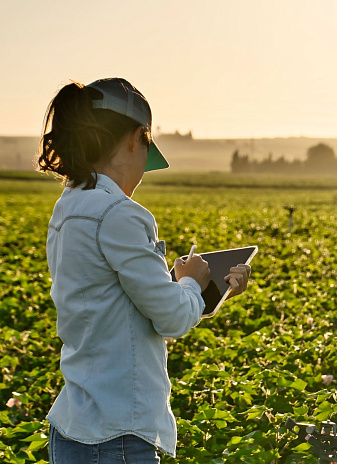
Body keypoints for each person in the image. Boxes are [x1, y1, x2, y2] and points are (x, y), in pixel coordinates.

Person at [37, 78, 251, 464]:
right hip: (115, 434)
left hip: (74, 428)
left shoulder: (68, 206)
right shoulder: (121, 213)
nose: (141, 174)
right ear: (137, 139)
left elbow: (116, 306)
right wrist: (188, 280)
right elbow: (170, 318)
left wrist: (204, 293)